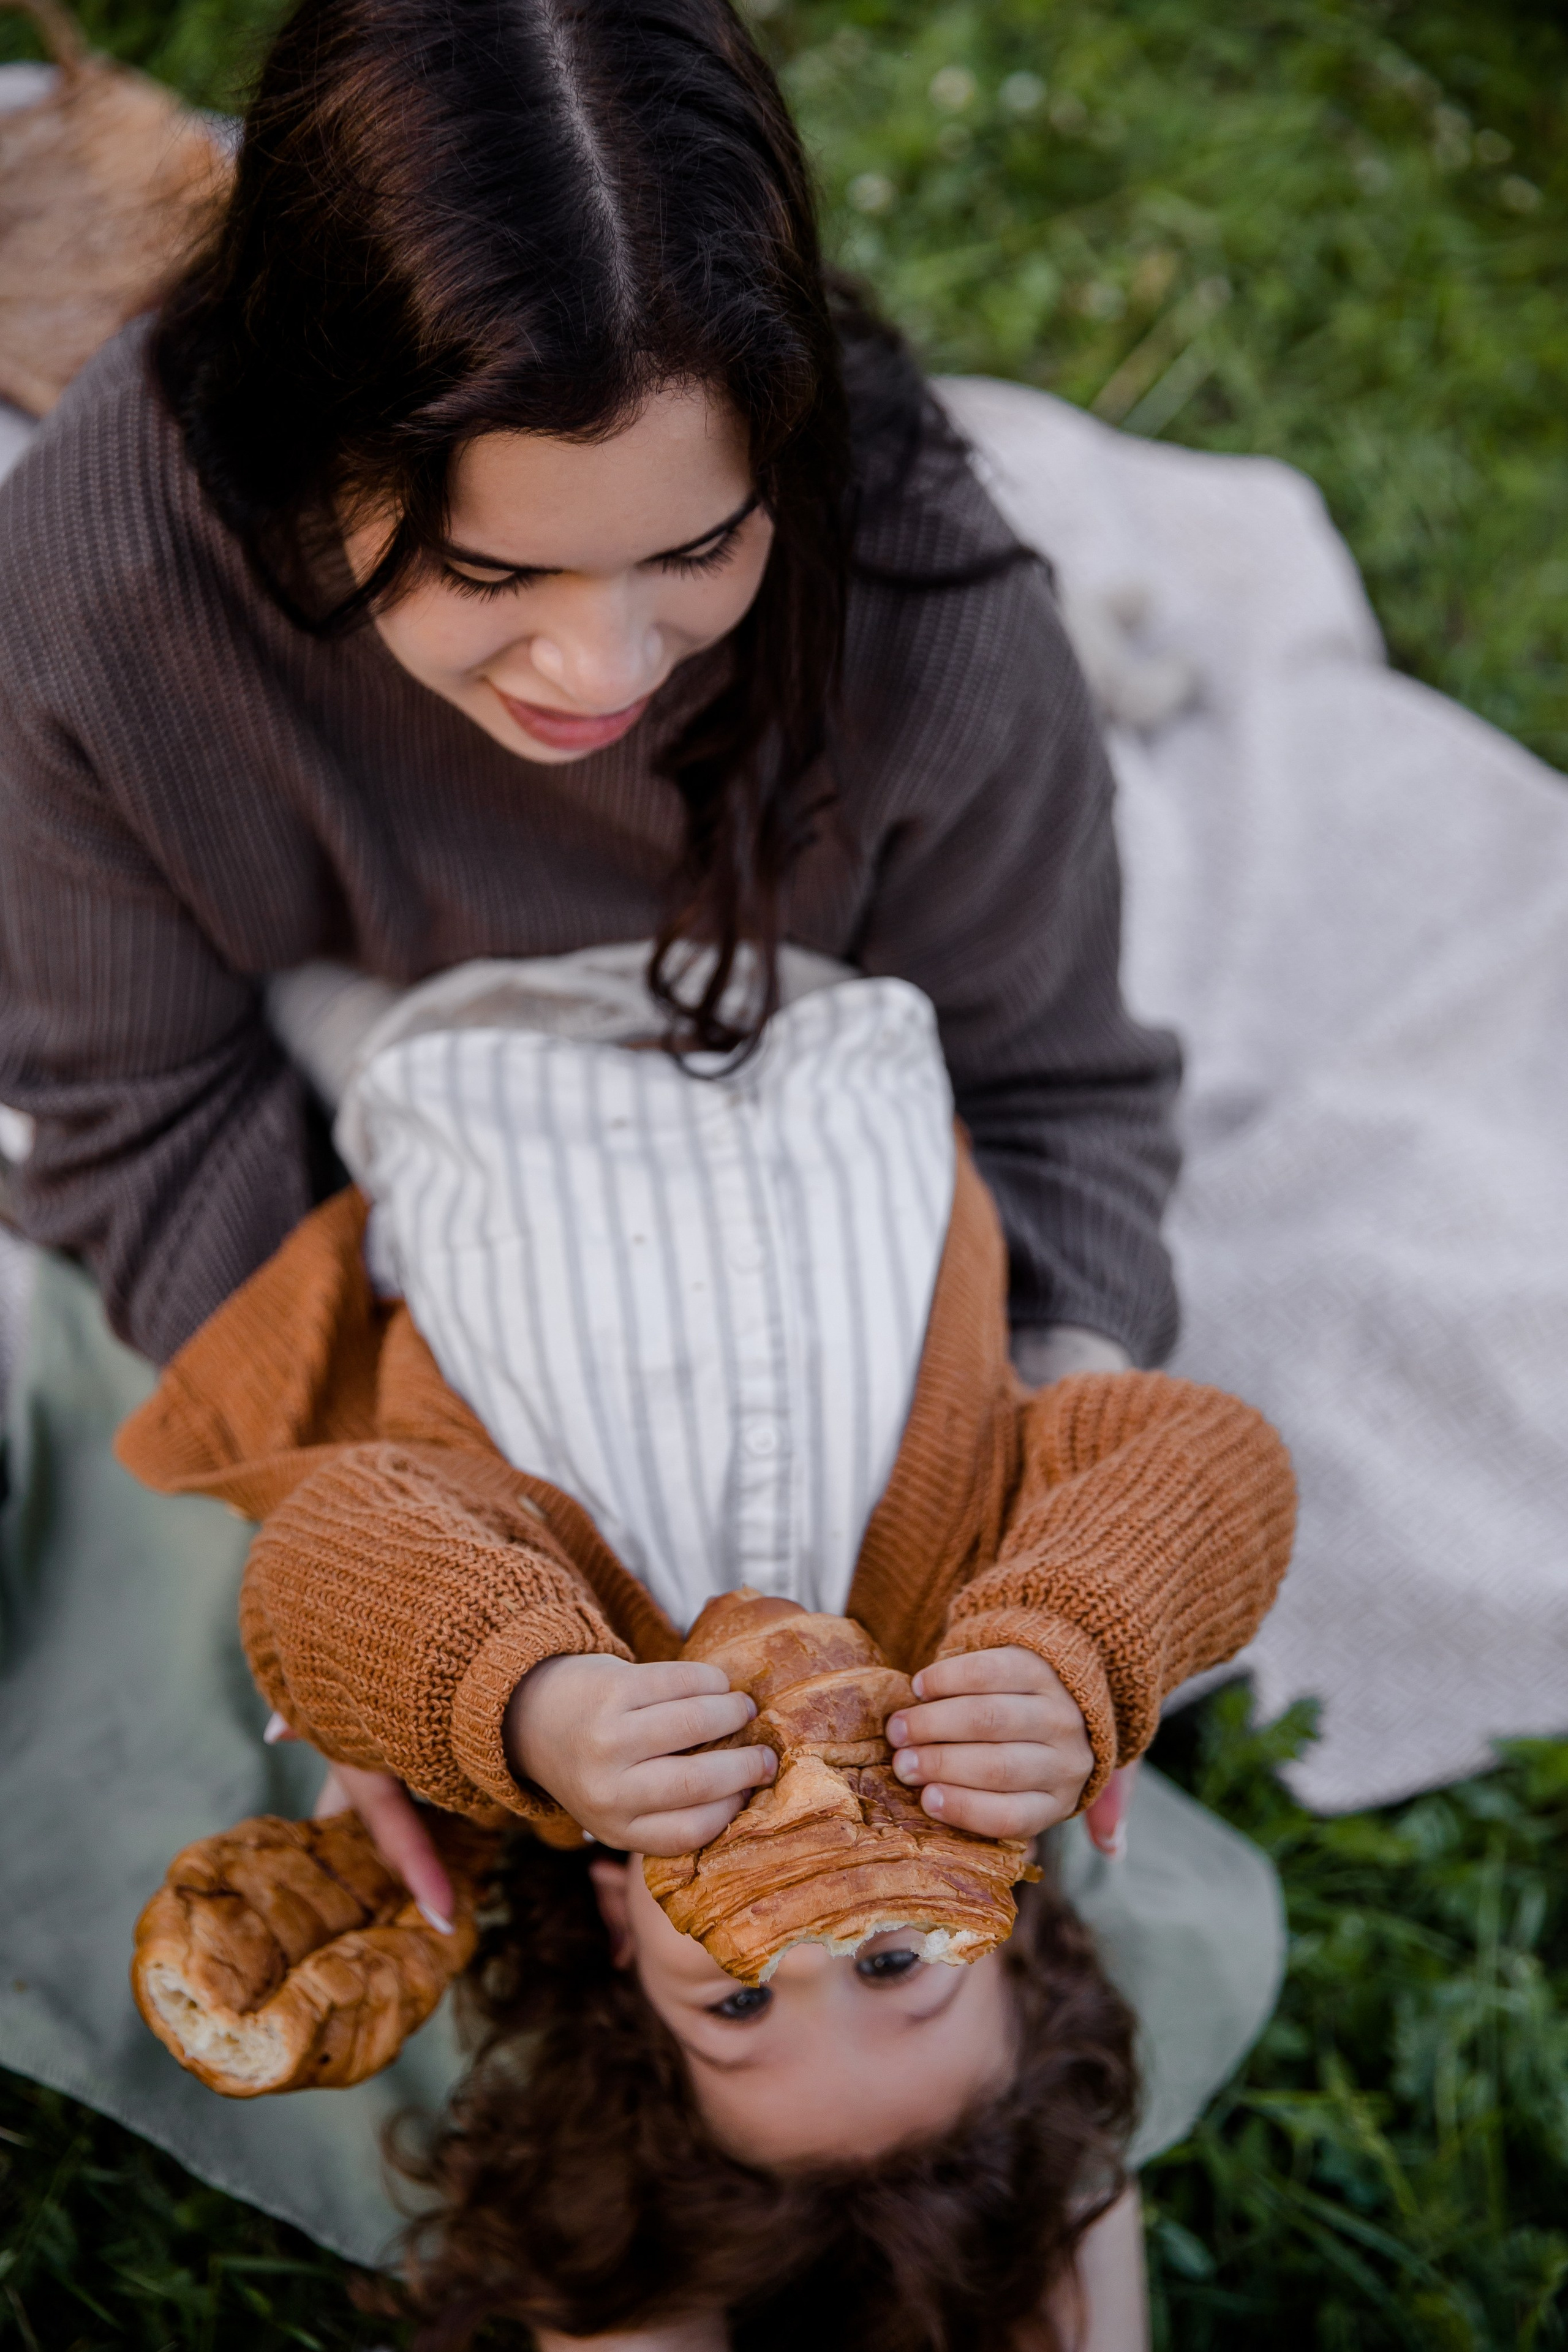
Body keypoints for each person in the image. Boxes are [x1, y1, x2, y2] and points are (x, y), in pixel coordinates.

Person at [0, 0, 1280, 2337]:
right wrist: (402, 1549)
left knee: (926, 2063)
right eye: (490, 577)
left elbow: (1072, 1113)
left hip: (824, 1165)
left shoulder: (920, 611)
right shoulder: (106, 588)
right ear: (309, 470)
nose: (604, 659)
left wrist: (1019, 1526)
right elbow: (133, 1115)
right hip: (380, 1230)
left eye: (694, 546)